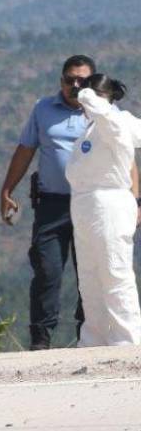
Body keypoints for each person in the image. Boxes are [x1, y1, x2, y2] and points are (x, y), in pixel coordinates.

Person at [0, 55, 96, 349]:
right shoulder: (43, 109)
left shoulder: (104, 113)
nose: (75, 85)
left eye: (82, 80)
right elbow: (25, 150)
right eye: (70, 79)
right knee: (47, 271)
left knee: (90, 273)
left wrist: (136, 199)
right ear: (61, 81)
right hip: (51, 205)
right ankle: (40, 340)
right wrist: (7, 190)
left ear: (91, 83)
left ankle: (87, 335)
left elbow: (125, 158)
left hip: (91, 204)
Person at [66, 75, 141, 347]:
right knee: (89, 277)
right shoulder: (90, 128)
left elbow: (103, 111)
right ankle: (94, 339)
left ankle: (127, 340)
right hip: (85, 206)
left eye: (89, 94)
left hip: (110, 204)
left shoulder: (116, 122)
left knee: (114, 272)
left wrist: (85, 92)